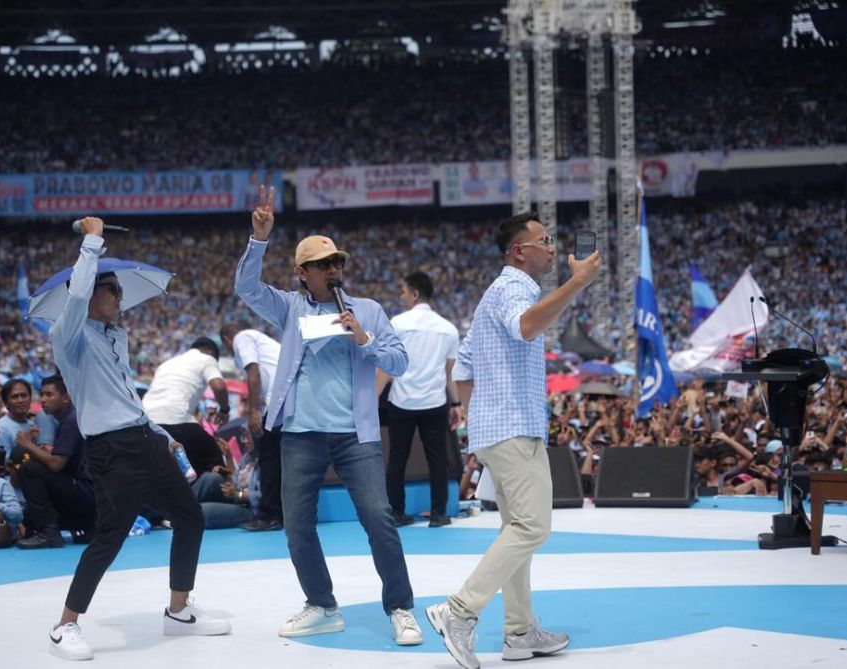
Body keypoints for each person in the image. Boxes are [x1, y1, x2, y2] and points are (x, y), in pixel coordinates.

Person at [235, 186, 423, 646]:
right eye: (324, 265)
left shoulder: (370, 311)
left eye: (338, 263)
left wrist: (365, 339)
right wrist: (259, 240)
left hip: (355, 436)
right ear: (303, 274)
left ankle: (400, 608)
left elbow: (400, 364)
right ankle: (321, 604)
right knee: (297, 525)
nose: (334, 270)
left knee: (379, 519)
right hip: (300, 434)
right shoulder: (290, 307)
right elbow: (246, 288)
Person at [45, 216, 229, 661]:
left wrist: (161, 433)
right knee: (111, 534)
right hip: (111, 449)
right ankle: (64, 625)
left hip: (144, 438)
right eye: (115, 291)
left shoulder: (115, 336)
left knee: (191, 517)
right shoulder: (68, 336)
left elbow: (126, 398)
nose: (122, 299)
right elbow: (75, 299)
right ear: (92, 293)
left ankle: (178, 611)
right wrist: (92, 242)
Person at [427, 212, 601, 669]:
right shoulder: (514, 287)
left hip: (495, 427)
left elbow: (462, 366)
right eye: (543, 240)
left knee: (515, 529)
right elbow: (526, 326)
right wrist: (577, 282)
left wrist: (471, 416)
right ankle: (459, 611)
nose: (551, 246)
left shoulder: (494, 295)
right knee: (532, 527)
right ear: (519, 251)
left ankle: (521, 632)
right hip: (512, 426)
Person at [379, 270, 462, 527]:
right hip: (434, 403)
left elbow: (386, 368)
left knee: (397, 459)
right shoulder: (449, 329)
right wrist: (457, 404)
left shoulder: (397, 324)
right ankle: (439, 514)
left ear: (414, 294)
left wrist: (370, 400)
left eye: (403, 291)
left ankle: (397, 512)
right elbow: (449, 373)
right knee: (437, 459)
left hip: (402, 402)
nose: (401, 296)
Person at [16, 375, 96, 549]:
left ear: (66, 398)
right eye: (42, 395)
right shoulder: (71, 417)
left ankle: (49, 532)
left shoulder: (71, 420)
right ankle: (85, 525)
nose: (43, 400)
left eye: (49, 395)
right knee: (30, 515)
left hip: (87, 494)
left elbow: (56, 464)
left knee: (29, 469)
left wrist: (28, 445)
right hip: (92, 494)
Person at [219, 321, 283, 531]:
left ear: (228, 339)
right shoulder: (264, 342)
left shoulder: (242, 338)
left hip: (278, 403)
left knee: (270, 458)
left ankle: (270, 515)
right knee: (282, 459)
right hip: (286, 400)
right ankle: (282, 513)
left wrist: (254, 411)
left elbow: (253, 372)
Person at [142, 337, 231, 477]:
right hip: (177, 420)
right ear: (211, 352)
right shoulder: (207, 358)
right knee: (214, 461)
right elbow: (219, 387)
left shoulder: (167, 363)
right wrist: (225, 409)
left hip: (148, 423)